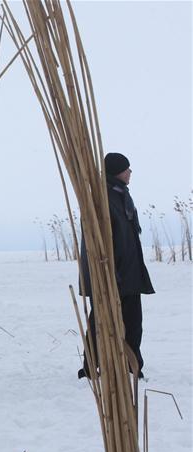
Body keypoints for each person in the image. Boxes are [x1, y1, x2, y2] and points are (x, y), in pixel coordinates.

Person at [77, 152, 154, 379]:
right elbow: (101, 241)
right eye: (127, 168)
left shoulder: (120, 195)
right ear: (117, 171)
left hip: (128, 273)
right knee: (101, 320)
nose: (130, 172)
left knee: (132, 322)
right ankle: (91, 366)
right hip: (112, 276)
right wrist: (110, 274)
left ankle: (132, 365)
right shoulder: (104, 199)